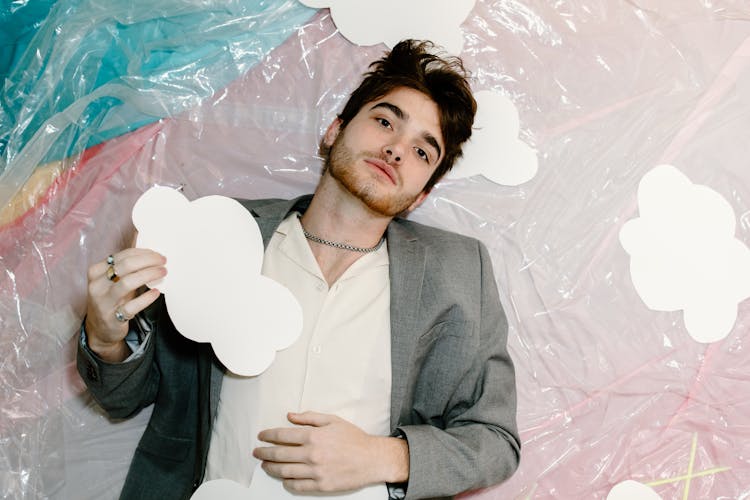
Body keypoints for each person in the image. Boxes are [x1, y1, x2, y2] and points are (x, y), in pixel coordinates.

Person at [78, 39, 520, 499]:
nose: (395, 150)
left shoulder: (461, 272)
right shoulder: (221, 232)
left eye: (423, 152)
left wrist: (382, 456)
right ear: (334, 130)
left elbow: (495, 441)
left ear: (422, 193)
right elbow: (122, 397)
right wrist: (105, 336)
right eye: (385, 121)